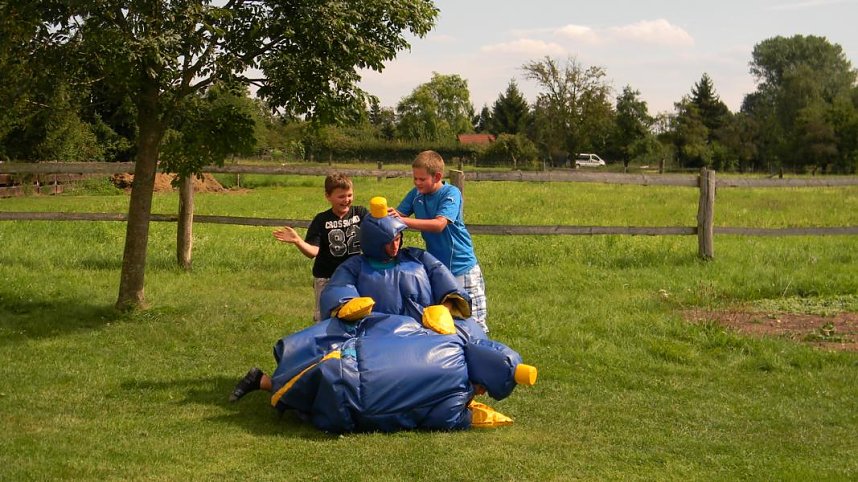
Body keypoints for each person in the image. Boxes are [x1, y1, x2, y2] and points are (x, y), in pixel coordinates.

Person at [228, 307, 538, 433]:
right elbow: (442, 419)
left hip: (350, 357)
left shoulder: (447, 338)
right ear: (483, 379)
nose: (481, 392)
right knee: (319, 395)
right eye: (485, 389)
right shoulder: (457, 387)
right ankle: (269, 386)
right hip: (352, 395)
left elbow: (406, 325)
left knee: (318, 366)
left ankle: (264, 381)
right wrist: (473, 416)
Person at [320, 196, 474, 325]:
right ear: (374, 242)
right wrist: (350, 307)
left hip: (425, 330)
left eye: (397, 239)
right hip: (376, 334)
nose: (395, 246)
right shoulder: (355, 267)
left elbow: (447, 284)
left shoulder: (418, 257)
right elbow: (337, 289)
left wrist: (442, 313)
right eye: (389, 242)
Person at [389, 150, 489, 333]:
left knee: (473, 323)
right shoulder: (416, 194)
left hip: (462, 267)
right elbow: (398, 216)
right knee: (441, 322)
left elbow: (439, 224)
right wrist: (382, 219)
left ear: (437, 176)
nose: (417, 183)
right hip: (438, 269)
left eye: (422, 179)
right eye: (415, 179)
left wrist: (401, 220)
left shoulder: (451, 193)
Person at [273, 173, 368, 322]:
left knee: (355, 315)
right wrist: (298, 241)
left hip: (354, 275)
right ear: (328, 196)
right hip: (327, 277)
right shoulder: (321, 220)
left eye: (349, 195)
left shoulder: (360, 213)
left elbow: (377, 232)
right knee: (324, 319)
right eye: (341, 196)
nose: (346, 200)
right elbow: (313, 252)